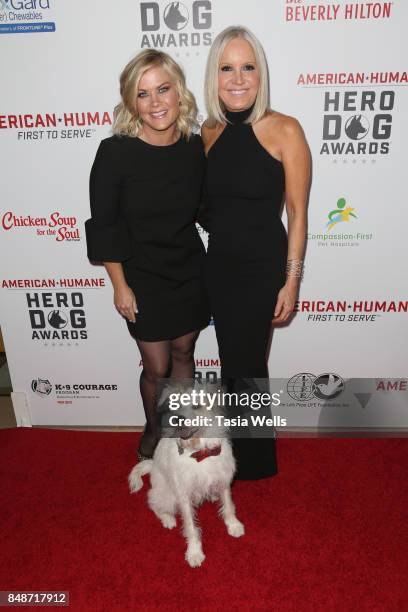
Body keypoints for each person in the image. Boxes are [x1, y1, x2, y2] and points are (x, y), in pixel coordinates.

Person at [85, 49, 210, 460]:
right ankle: (156, 429)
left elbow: (210, 208)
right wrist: (120, 286)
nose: (156, 103)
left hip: (189, 269)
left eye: (163, 89)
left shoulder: (195, 148)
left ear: (179, 92)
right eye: (143, 94)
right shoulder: (115, 153)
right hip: (141, 275)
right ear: (130, 101)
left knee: (184, 354)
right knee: (156, 368)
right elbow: (105, 225)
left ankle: (184, 425)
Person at [201, 26, 310, 480]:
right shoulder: (206, 132)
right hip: (219, 263)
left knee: (246, 363)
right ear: (215, 75)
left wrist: (292, 280)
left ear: (260, 74)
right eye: (227, 68)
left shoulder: (285, 129)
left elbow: (298, 215)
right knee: (233, 359)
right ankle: (242, 455)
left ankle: (254, 463)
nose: (238, 78)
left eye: (248, 67)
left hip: (262, 265)